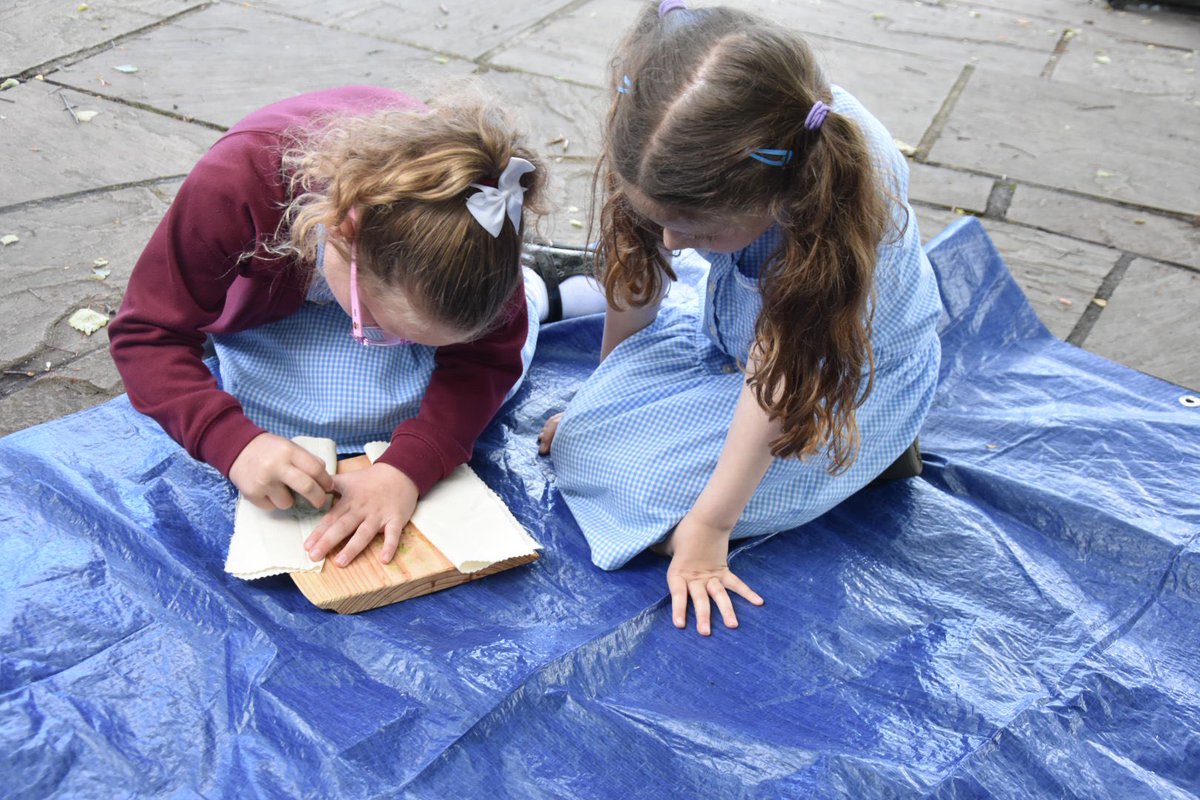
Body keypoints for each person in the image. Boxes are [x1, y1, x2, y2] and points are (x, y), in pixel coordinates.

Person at [540, 2, 943, 635]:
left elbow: (778, 378)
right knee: (586, 441)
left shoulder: (826, 198)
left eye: (696, 230)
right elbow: (637, 270)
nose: (671, 242)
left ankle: (874, 457)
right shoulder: (680, 138)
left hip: (831, 384)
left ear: (773, 199)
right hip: (736, 344)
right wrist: (604, 394)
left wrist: (708, 530)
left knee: (637, 485)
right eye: (660, 220)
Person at [110, 85, 601, 570]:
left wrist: (408, 467)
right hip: (272, 300)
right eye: (384, 330)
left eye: (423, 343)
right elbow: (146, 333)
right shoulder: (236, 183)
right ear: (344, 234)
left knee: (443, 393)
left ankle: (535, 291)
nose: (397, 348)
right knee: (293, 418)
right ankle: (536, 292)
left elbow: (487, 359)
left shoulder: (476, 238)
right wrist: (233, 442)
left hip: (380, 282)